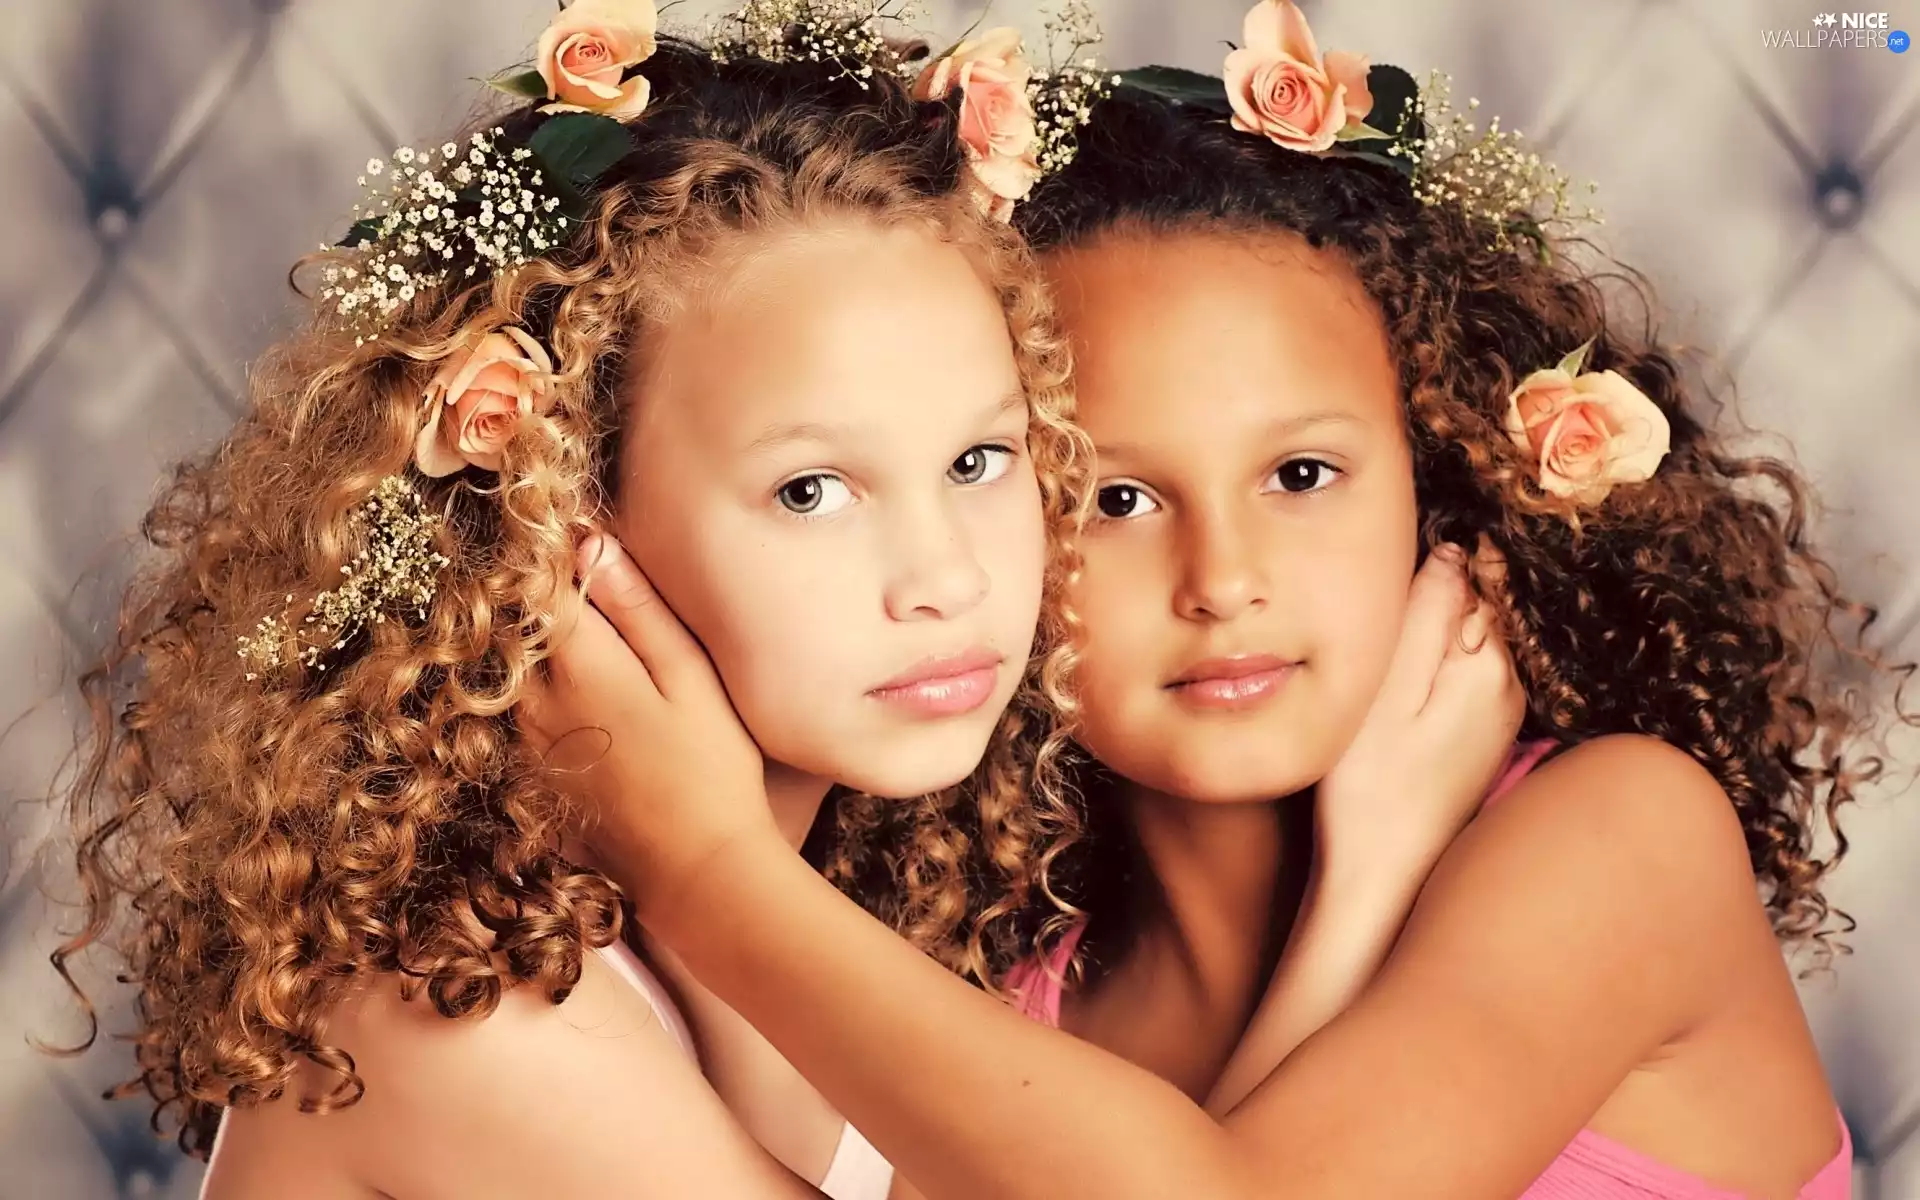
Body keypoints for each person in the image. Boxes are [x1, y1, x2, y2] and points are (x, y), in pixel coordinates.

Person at [530, 4, 1895, 1197]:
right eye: (1116, 500)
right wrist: (1352, 907)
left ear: (1438, 475)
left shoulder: (1620, 838)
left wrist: (706, 868)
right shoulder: (998, 985)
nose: (1224, 581)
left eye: (1303, 474)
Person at [55, 6, 1104, 1195]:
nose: (950, 579)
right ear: (560, 513)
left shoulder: (807, 921)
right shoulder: (468, 1013)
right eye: (812, 490)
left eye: (980, 462)